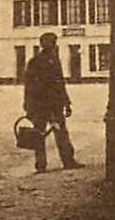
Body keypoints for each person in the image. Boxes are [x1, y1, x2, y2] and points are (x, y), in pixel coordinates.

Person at [22, 32, 79, 172]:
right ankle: (54, 163)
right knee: (45, 134)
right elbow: (29, 86)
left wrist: (66, 102)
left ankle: (57, 162)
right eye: (52, 42)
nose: (53, 45)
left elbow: (60, 83)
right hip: (44, 105)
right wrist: (29, 106)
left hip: (51, 104)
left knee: (53, 133)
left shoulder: (50, 60)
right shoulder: (36, 62)